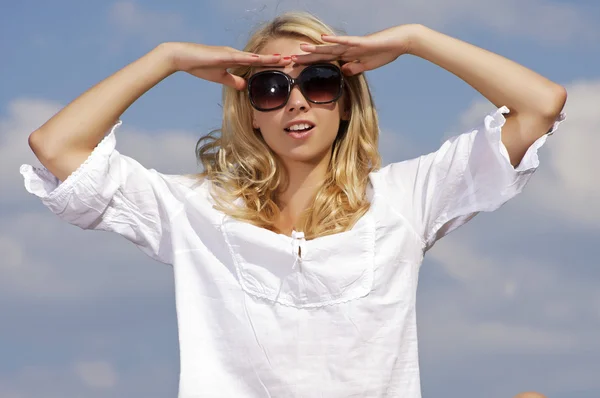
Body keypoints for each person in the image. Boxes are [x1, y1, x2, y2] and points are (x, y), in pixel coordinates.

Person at [21, 11, 565, 398]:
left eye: (320, 81)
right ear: (250, 111)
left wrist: (413, 38)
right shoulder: (196, 209)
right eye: (271, 88)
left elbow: (540, 105)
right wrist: (167, 58)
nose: (297, 100)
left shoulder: (407, 197)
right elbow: (56, 146)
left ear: (346, 102)